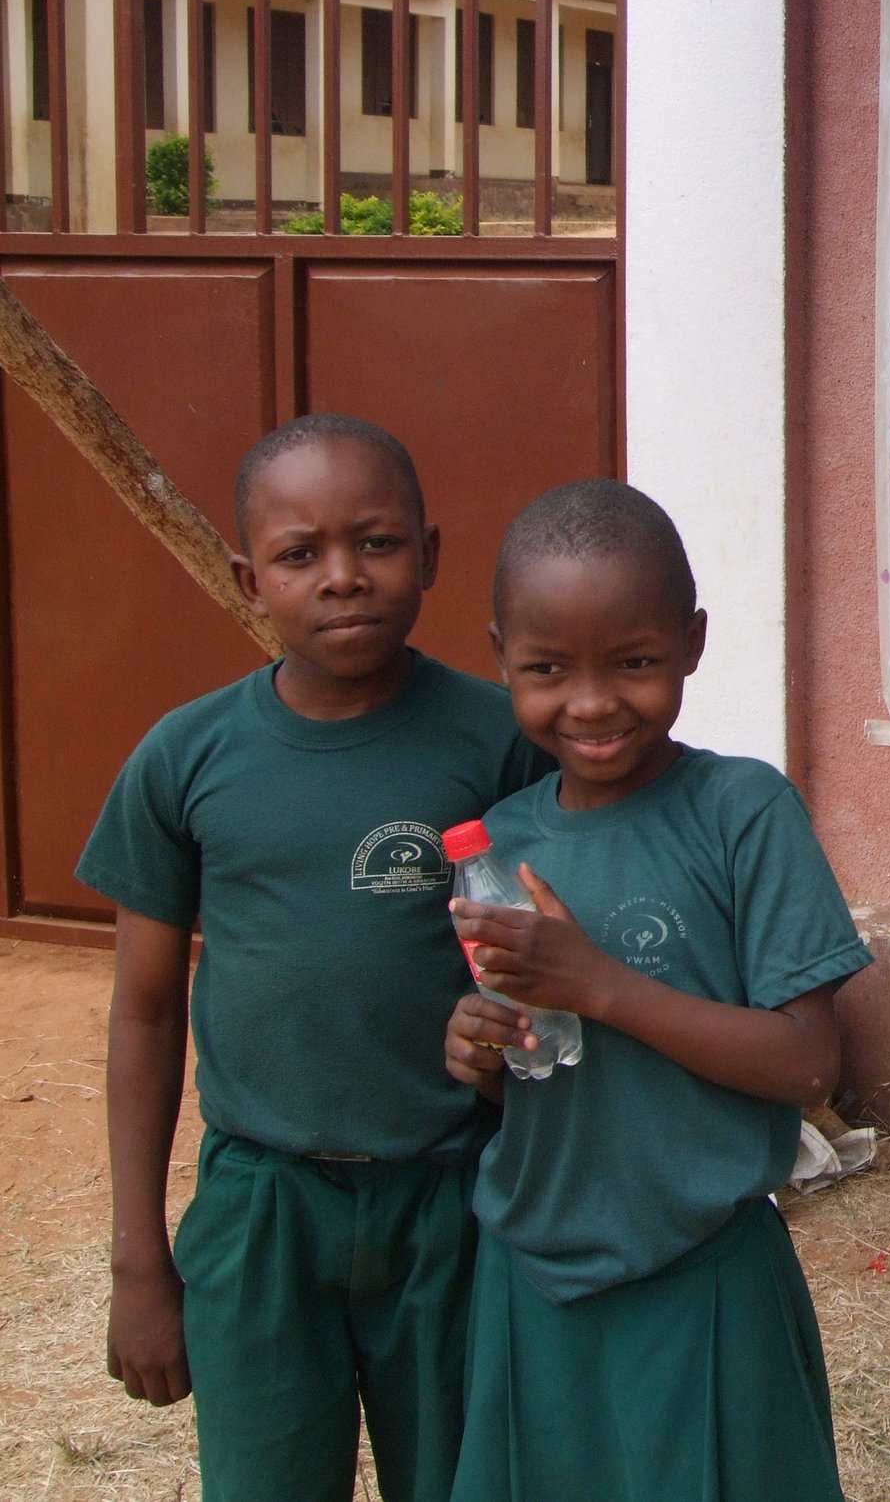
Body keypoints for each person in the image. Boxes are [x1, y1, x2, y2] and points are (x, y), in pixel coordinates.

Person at [84, 414, 550, 1502]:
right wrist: (139, 1260)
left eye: (376, 543)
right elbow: (145, 1015)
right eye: (301, 555)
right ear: (251, 581)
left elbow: (558, 955)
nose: (343, 578)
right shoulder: (185, 759)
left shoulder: (501, 743)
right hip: (260, 1213)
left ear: (430, 556)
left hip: (452, 1202)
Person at [444, 479, 868, 1502]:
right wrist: (482, 1050)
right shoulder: (499, 844)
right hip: (534, 1276)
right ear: (500, 655)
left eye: (632, 662)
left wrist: (599, 983)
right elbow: (540, 1079)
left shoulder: (739, 811)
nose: (591, 703)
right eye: (547, 670)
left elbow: (807, 1063)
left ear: (692, 642)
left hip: (702, 1274)